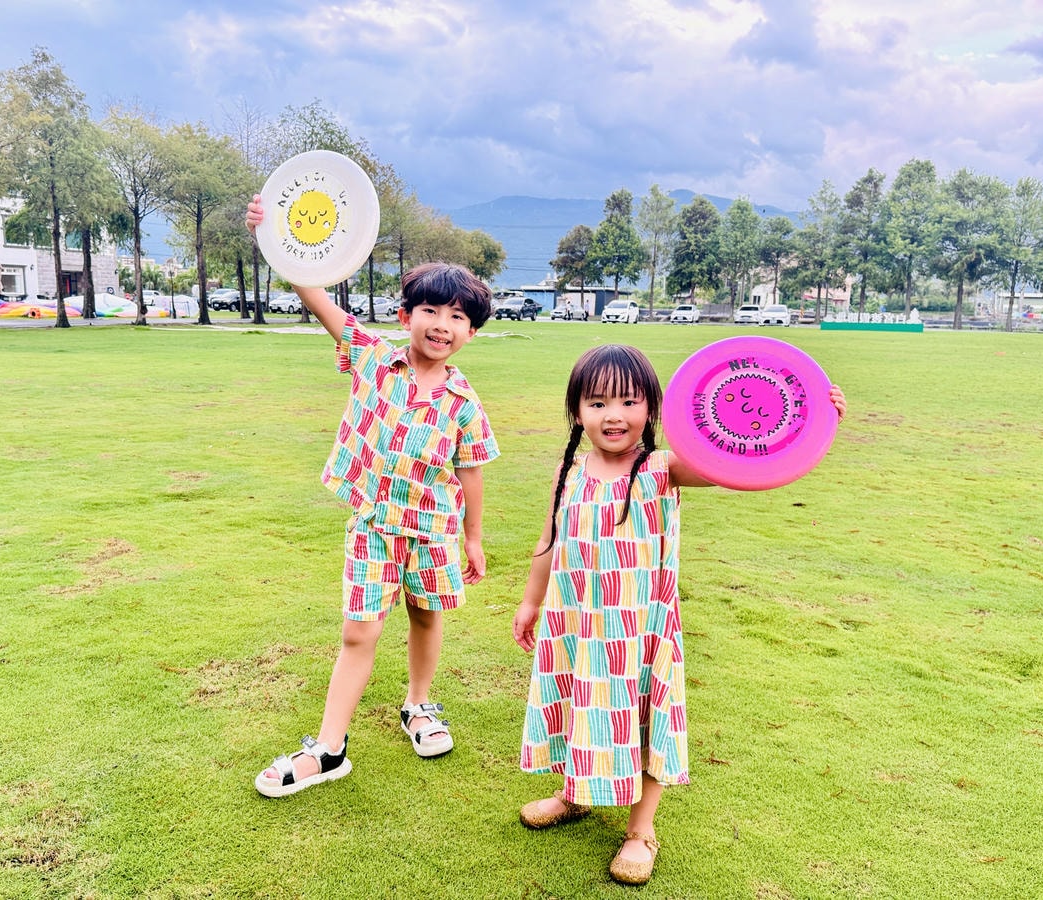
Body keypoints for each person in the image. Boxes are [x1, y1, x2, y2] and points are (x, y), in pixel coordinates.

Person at [511, 344, 846, 885]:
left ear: (653, 408)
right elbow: (549, 539)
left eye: (628, 402)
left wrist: (814, 418)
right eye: (597, 403)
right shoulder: (567, 470)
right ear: (576, 411)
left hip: (640, 630)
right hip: (575, 622)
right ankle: (576, 792)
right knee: (579, 705)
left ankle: (640, 830)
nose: (613, 415)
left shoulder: (662, 468)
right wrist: (531, 601)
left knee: (643, 719)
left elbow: (738, 463)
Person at [245, 195, 499, 797]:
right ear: (406, 314)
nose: (442, 325)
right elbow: (316, 296)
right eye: (430, 310)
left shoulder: (464, 403)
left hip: (434, 532)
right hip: (374, 528)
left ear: (471, 331)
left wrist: (473, 538)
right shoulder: (375, 358)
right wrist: (272, 236)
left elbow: (470, 472)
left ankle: (418, 706)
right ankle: (329, 748)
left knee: (427, 616)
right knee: (359, 633)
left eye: (458, 317)